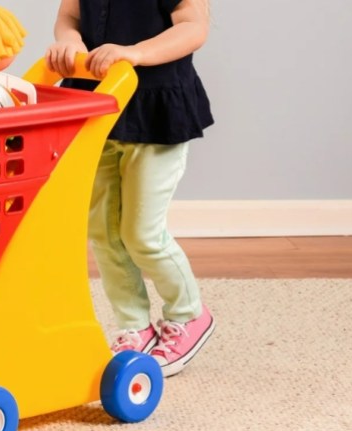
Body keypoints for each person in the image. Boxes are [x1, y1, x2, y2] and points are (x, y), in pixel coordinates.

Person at [45, 0, 215, 377]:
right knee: (102, 231)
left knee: (142, 234)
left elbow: (193, 27)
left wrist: (134, 54)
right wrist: (69, 43)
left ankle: (189, 315)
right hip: (95, 105)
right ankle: (133, 324)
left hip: (154, 110)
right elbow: (69, 16)